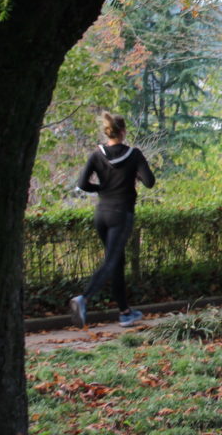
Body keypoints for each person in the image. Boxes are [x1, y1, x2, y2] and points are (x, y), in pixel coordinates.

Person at [70, 112, 156, 328]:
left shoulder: (96, 155)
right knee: (111, 261)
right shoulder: (134, 154)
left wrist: (102, 188)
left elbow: (82, 184)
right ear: (124, 131)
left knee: (116, 261)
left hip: (101, 214)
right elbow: (149, 182)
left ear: (107, 132)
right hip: (121, 214)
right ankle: (84, 298)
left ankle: (125, 312)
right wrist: (134, 175)